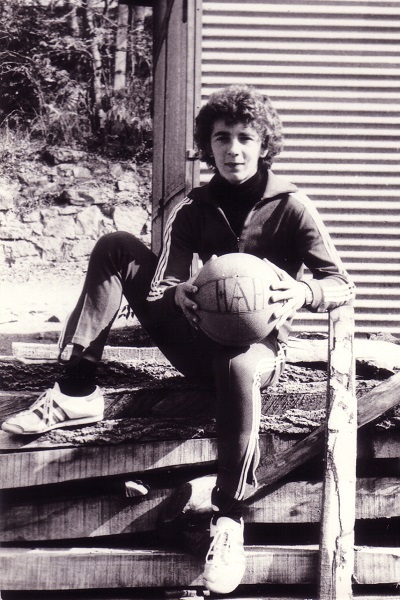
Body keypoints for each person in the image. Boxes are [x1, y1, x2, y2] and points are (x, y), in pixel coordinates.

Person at [2, 85, 355, 595]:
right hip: (197, 340)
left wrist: (303, 292)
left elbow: (343, 284)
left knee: (236, 364)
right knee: (116, 245)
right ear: (207, 145)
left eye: (245, 138)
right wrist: (180, 294)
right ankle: (76, 391)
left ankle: (229, 520)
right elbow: (160, 285)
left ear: (264, 145)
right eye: (221, 138)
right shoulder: (194, 206)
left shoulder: (292, 206)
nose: (233, 149)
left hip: (258, 352)